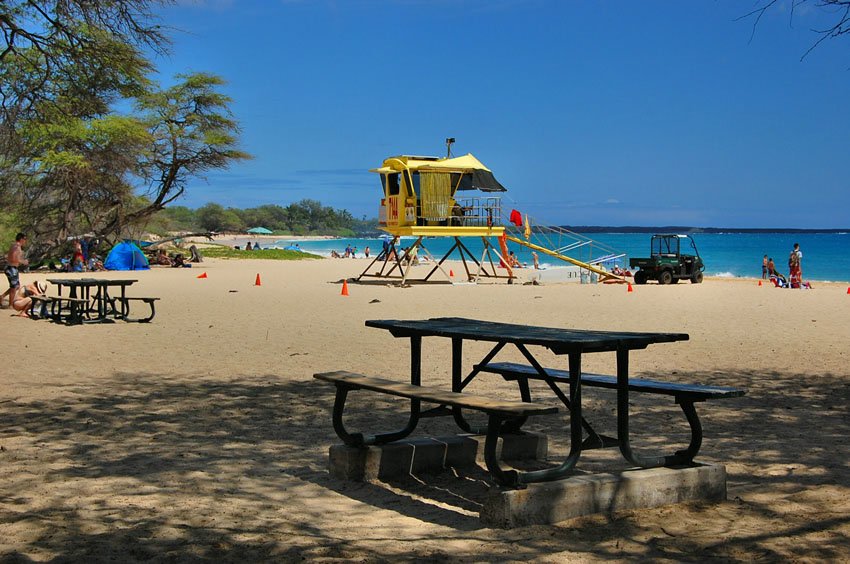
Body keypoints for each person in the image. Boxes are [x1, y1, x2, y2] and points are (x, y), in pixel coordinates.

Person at [4, 233, 29, 311]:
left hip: (13, 268)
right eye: (24, 239)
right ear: (21, 239)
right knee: (14, 287)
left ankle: (2, 297)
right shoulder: (16, 247)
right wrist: (23, 261)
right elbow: (14, 259)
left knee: (17, 286)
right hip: (11, 268)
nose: (25, 241)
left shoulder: (16, 246)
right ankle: (10, 305)